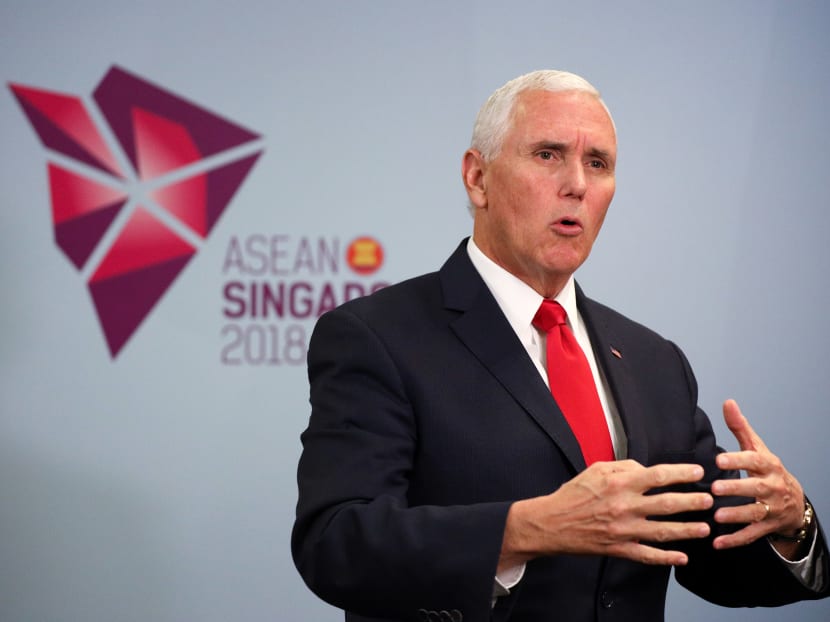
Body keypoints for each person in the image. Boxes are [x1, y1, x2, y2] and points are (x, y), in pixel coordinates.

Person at [291, 70, 829, 622]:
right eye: (548, 155)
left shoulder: (655, 361)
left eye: (597, 163)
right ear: (478, 178)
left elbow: (708, 553)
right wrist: (525, 530)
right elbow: (336, 542)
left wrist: (791, 523)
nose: (577, 184)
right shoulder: (378, 337)